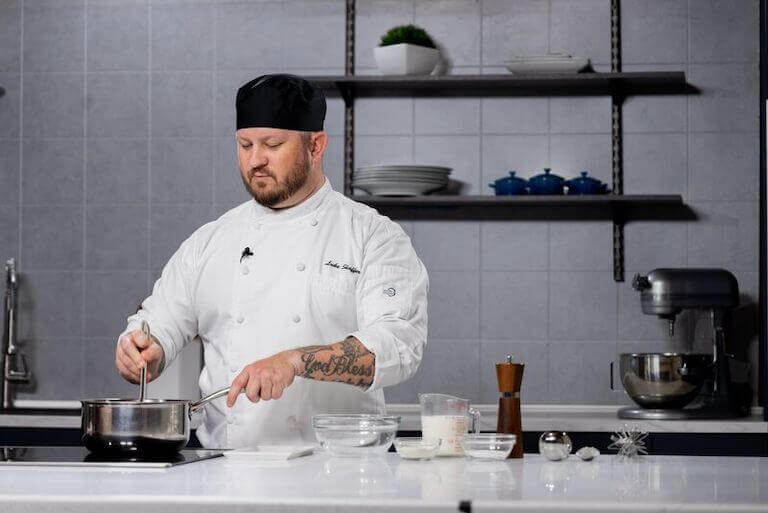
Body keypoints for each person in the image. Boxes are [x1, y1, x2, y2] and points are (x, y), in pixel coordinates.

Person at [114, 74, 429, 448]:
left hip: (340, 474)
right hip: (227, 475)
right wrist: (142, 349)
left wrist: (295, 361)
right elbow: (158, 322)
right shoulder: (210, 240)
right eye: (245, 145)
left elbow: (398, 346)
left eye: (272, 144)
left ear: (316, 145)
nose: (255, 160)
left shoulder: (372, 235)